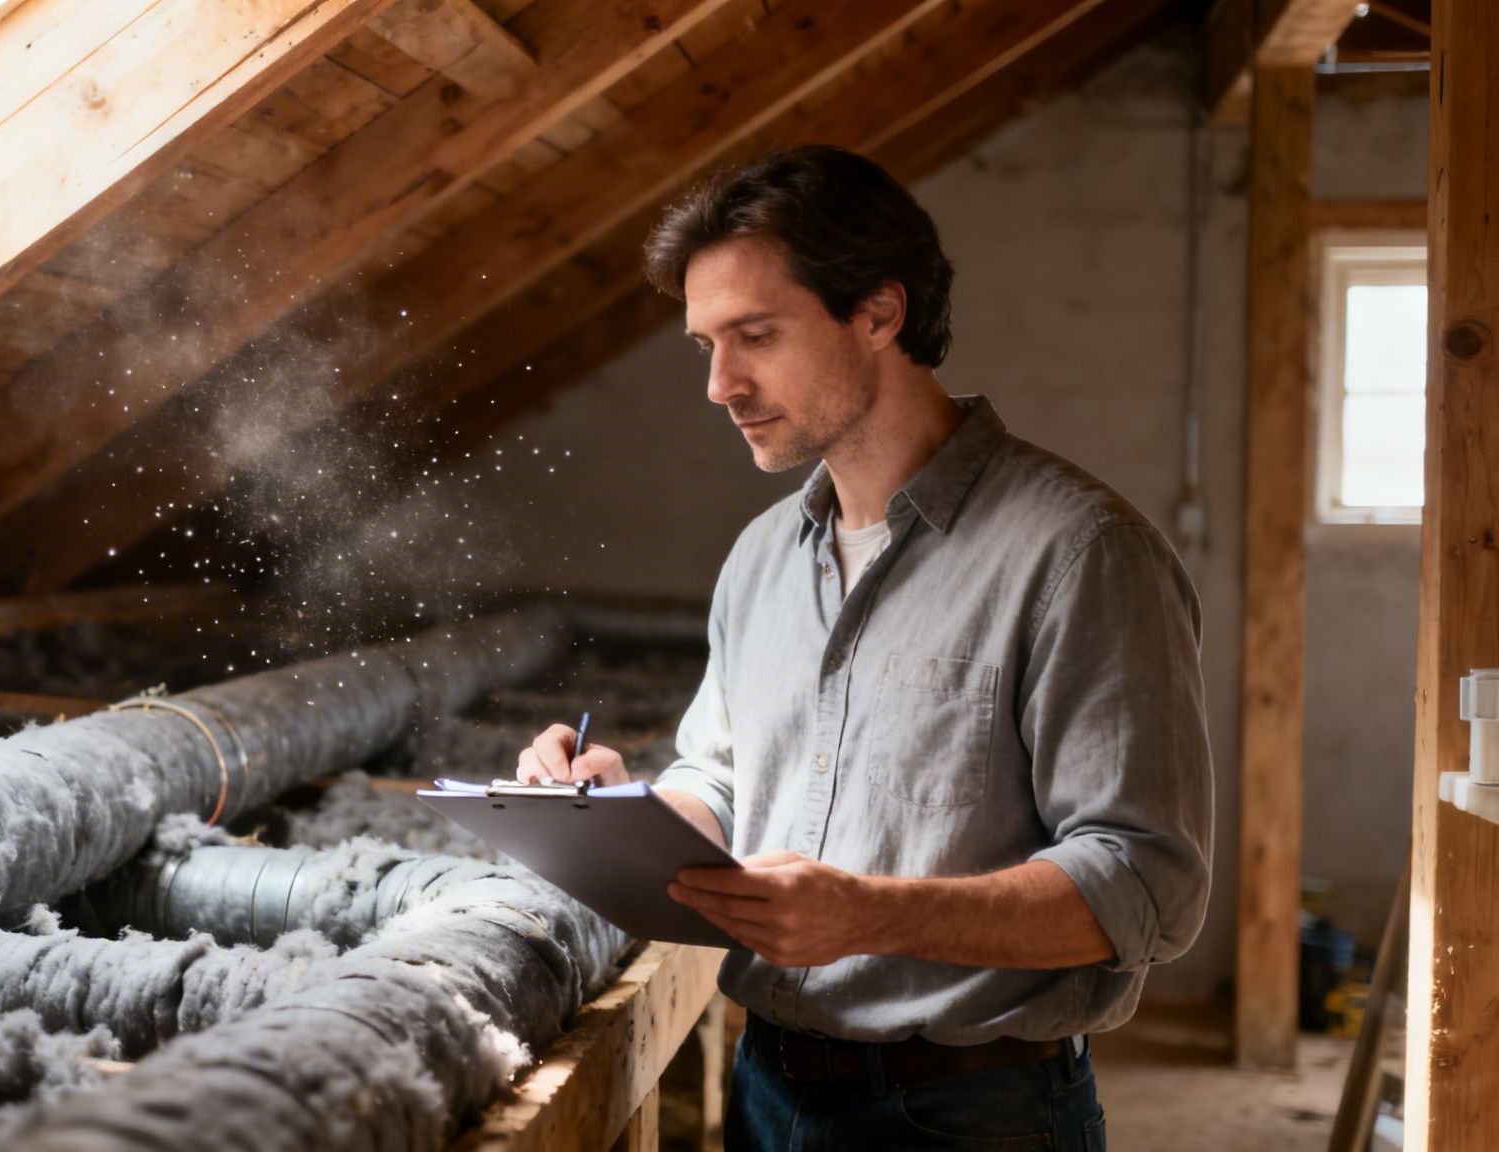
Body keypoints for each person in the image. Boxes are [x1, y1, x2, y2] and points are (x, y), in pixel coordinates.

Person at [515, 146, 1213, 1151]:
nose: (718, 384)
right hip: (769, 1090)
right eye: (704, 344)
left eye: (753, 335)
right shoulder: (760, 558)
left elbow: (1148, 884)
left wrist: (870, 914)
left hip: (976, 1114)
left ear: (878, 314)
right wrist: (612, 811)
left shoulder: (1080, 552)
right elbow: (720, 783)